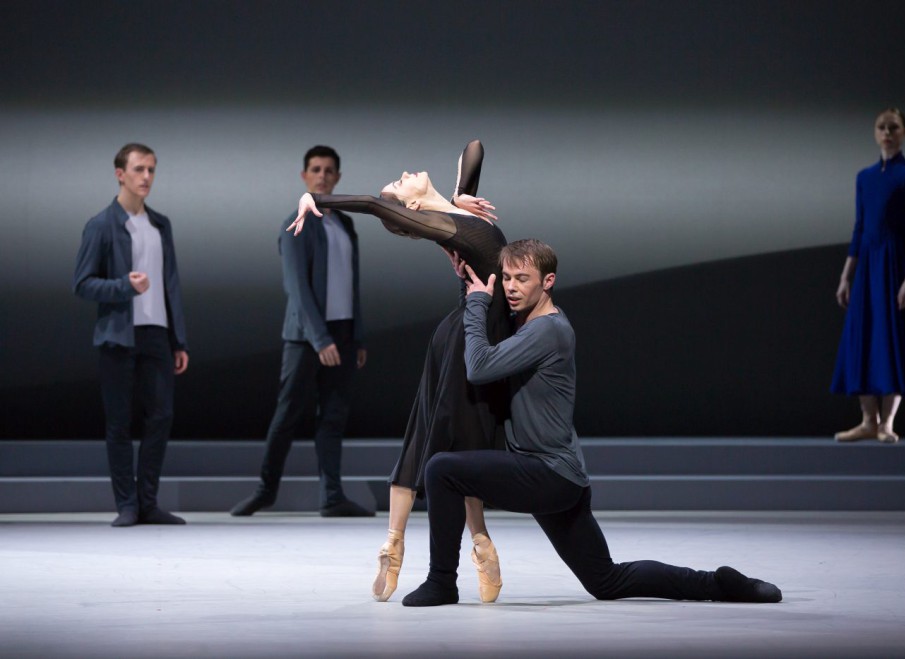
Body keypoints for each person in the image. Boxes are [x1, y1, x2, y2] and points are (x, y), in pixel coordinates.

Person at [400, 239, 782, 607]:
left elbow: (479, 365)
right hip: (563, 478)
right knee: (607, 580)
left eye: (523, 279)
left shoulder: (547, 330)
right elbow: (483, 311)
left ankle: (441, 582)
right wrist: (469, 283)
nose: (512, 288)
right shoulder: (529, 321)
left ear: (548, 281)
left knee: (442, 469)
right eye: (508, 278)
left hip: (545, 474)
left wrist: (478, 302)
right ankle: (720, 583)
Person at [290, 140, 511, 603]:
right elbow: (373, 203)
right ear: (411, 205)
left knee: (464, 440)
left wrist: (457, 196)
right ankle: (402, 546)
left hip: (472, 334)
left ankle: (475, 543)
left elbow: (474, 148)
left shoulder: (454, 214)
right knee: (434, 436)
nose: (404, 172)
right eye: (399, 182)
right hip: (466, 337)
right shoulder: (440, 222)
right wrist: (317, 199)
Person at [231, 146, 373, 518]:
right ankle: (265, 490)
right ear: (304, 176)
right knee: (288, 413)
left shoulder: (345, 224)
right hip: (307, 336)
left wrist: (355, 336)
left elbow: (351, 285)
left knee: (334, 416)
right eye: (315, 169)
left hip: (342, 333)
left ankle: (332, 496)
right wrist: (320, 338)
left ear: (338, 178)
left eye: (329, 170)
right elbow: (297, 288)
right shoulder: (297, 223)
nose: (322, 175)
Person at [73, 143, 189, 527]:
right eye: (139, 169)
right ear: (120, 174)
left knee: (161, 417)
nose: (147, 177)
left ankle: (147, 502)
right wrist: (124, 286)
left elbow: (171, 285)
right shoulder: (100, 224)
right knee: (119, 422)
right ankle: (126, 505)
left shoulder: (161, 224)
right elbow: (83, 283)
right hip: (118, 336)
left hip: (156, 333)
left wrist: (178, 339)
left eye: (152, 170)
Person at [831, 108, 905, 443]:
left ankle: (887, 423)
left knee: (893, 337)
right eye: (881, 127)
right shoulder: (864, 178)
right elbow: (859, 227)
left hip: (895, 262)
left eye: (893, 127)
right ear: (874, 132)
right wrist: (845, 275)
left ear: (904, 132)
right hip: (868, 262)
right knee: (863, 336)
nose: (887, 133)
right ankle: (868, 419)